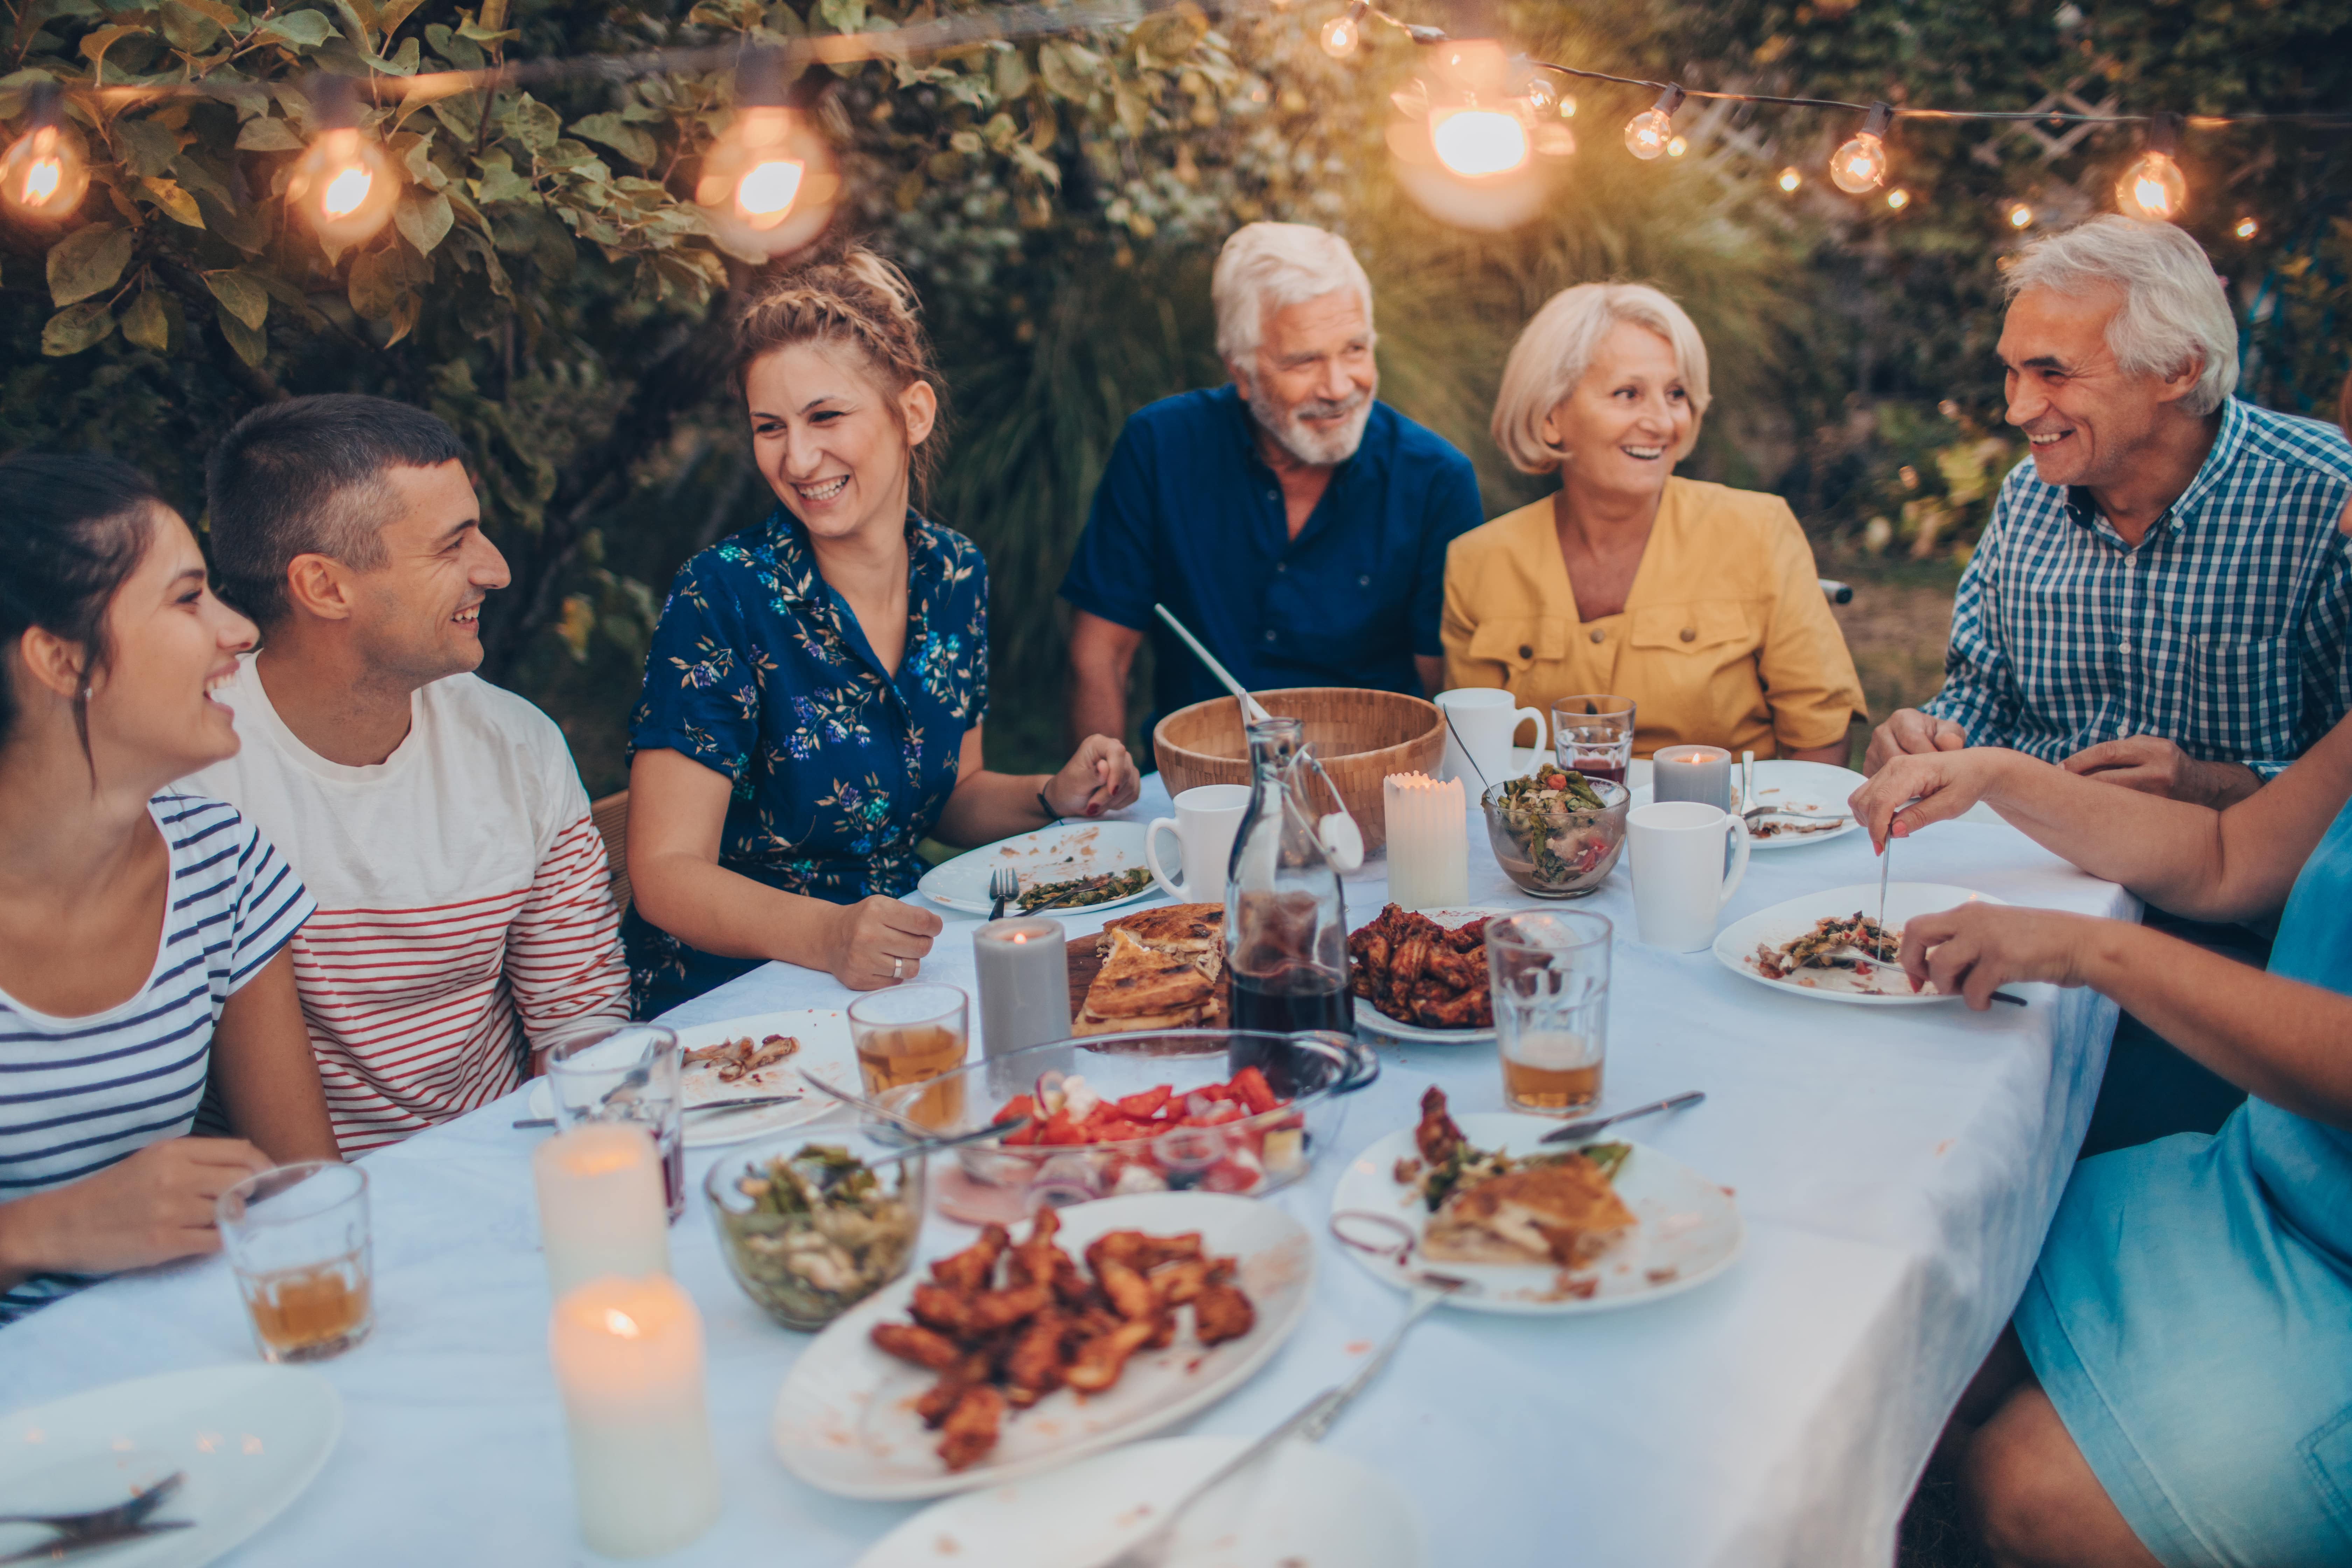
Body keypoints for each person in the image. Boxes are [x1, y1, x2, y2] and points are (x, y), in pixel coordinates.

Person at [1850, 688, 2352, 1568]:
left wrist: (2092, 949)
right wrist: (1998, 776)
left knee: (2024, 1488)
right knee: (1921, 1308)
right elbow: (2228, 854)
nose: (2342, 538)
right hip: (2270, 1178)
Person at [624, 241, 1141, 1015]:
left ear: (915, 412)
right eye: (771, 427)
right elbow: (664, 870)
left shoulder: (954, 573)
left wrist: (1051, 792)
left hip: (903, 968)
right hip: (736, 1002)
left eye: (826, 415)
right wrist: (830, 935)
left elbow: (951, 792)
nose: (799, 458)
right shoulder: (724, 595)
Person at [184, 396, 631, 1155]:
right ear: (325, 587)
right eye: (451, 545)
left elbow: (577, 1018)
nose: (495, 568)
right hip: (296, 1215)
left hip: (514, 1164)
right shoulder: (188, 777)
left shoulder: (517, 745)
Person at [0, 456, 337, 1325]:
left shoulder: (219, 862)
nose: (240, 631)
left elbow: (307, 1191)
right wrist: (40, 1231)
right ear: (63, 659)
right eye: (189, 599)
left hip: (180, 1370)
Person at [1864, 216, 2352, 806]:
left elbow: (2342, 776)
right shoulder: (2028, 494)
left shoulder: (2325, 499)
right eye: (2012, 373)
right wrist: (1930, 734)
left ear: (2178, 368)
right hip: (2033, 856)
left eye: (2054, 374)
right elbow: (1983, 693)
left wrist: (2213, 785)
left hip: (2232, 884)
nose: (2018, 409)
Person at [1061, 222, 1483, 747]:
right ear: (1240, 372)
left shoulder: (1436, 480)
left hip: (1368, 782)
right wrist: (1101, 797)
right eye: (1304, 360)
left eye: (1354, 350)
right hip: (1200, 782)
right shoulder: (1160, 445)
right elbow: (1101, 652)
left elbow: (1441, 687)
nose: (1338, 387)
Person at [1443, 283, 1865, 761]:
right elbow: (1474, 758)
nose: (1663, 422)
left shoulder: (1759, 530)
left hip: (1728, 831)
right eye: (1628, 394)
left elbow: (1821, 740)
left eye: (1677, 394)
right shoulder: (1477, 563)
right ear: (1550, 418)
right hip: (1548, 834)